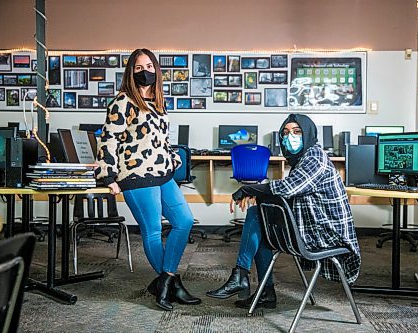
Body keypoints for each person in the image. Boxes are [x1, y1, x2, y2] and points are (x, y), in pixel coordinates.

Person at [206, 114, 361, 309]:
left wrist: (248, 189)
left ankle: (241, 276)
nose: (291, 137)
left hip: (327, 234)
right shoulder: (302, 160)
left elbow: (289, 188)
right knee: (260, 220)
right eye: (286, 133)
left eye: (297, 132)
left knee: (257, 215)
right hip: (311, 225)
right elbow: (288, 195)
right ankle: (264, 291)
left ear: (309, 134)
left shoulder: (315, 156)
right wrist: (259, 195)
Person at [94, 48, 201, 311]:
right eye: (139, 68)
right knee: (152, 231)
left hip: (162, 173)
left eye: (149, 67)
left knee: (184, 221)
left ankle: (165, 281)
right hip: (136, 176)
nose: (145, 72)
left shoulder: (159, 102)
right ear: (131, 72)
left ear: (157, 70)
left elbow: (162, 140)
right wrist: (108, 176)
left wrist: (174, 160)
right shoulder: (122, 102)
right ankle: (172, 285)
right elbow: (109, 140)